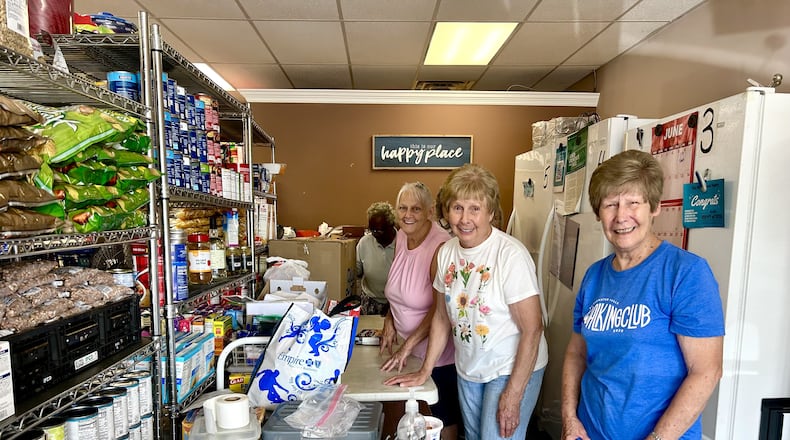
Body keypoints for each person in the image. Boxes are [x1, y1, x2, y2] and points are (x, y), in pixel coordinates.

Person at [561, 150, 724, 440]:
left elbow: (706, 372)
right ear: (599, 213)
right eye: (610, 204)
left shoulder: (686, 273)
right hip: (590, 431)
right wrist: (570, 419)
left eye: (633, 202)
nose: (621, 216)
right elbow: (577, 353)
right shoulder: (594, 276)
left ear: (654, 207)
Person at [385, 164, 548, 440]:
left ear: (491, 213)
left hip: (509, 366)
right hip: (470, 367)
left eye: (475, 208)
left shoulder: (510, 255)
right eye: (457, 207)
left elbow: (533, 329)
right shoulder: (446, 253)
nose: (465, 218)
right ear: (446, 212)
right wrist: (425, 370)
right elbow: (440, 316)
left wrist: (514, 393)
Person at [380, 181, 461, 439]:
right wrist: (390, 319)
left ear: (430, 212)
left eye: (416, 209)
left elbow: (440, 310)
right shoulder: (402, 236)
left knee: (442, 419)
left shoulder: (440, 247)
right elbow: (398, 286)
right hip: (410, 350)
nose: (407, 215)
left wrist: (407, 345)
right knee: (412, 420)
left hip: (439, 357)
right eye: (402, 208)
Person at [355, 201, 397, 315]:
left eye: (379, 230)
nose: (375, 234)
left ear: (391, 225)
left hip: (395, 302)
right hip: (370, 300)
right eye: (371, 229)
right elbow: (357, 272)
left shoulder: (403, 244)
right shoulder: (365, 243)